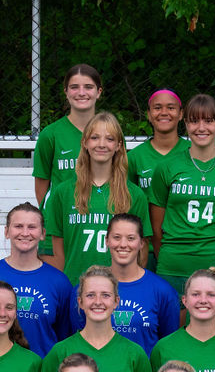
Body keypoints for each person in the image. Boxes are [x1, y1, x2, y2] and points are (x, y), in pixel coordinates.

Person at [148, 93, 215, 292]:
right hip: (173, 265)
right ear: (185, 123)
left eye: (209, 121)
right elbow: (156, 228)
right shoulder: (167, 167)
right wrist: (169, 257)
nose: (201, 128)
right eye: (194, 121)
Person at [37, 268, 153, 372]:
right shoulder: (60, 351)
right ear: (80, 302)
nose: (98, 302)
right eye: (90, 295)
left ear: (116, 302)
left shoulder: (135, 353)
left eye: (105, 295)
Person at [43, 112, 150, 282]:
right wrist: (66, 285)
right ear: (84, 143)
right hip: (76, 287)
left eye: (109, 139)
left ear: (118, 145)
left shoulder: (134, 194)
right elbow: (58, 249)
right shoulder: (63, 192)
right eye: (94, 138)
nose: (101, 144)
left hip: (118, 288)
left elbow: (142, 251)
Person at [0, 203, 76, 356]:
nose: (25, 233)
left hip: (42, 369)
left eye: (32, 227)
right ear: (7, 231)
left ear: (43, 233)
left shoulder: (60, 283)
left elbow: (66, 340)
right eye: (18, 226)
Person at [104, 214, 180, 354]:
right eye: (117, 237)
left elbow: (169, 347)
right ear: (107, 240)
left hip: (145, 368)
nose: (123, 244)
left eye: (131, 238)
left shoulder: (163, 291)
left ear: (141, 243)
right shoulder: (89, 289)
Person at [32, 63, 102, 207]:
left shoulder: (110, 133)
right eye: (74, 87)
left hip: (100, 213)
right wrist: (50, 215)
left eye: (88, 87)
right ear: (66, 92)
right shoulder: (50, 134)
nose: (81, 93)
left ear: (98, 92)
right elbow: (41, 183)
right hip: (62, 214)